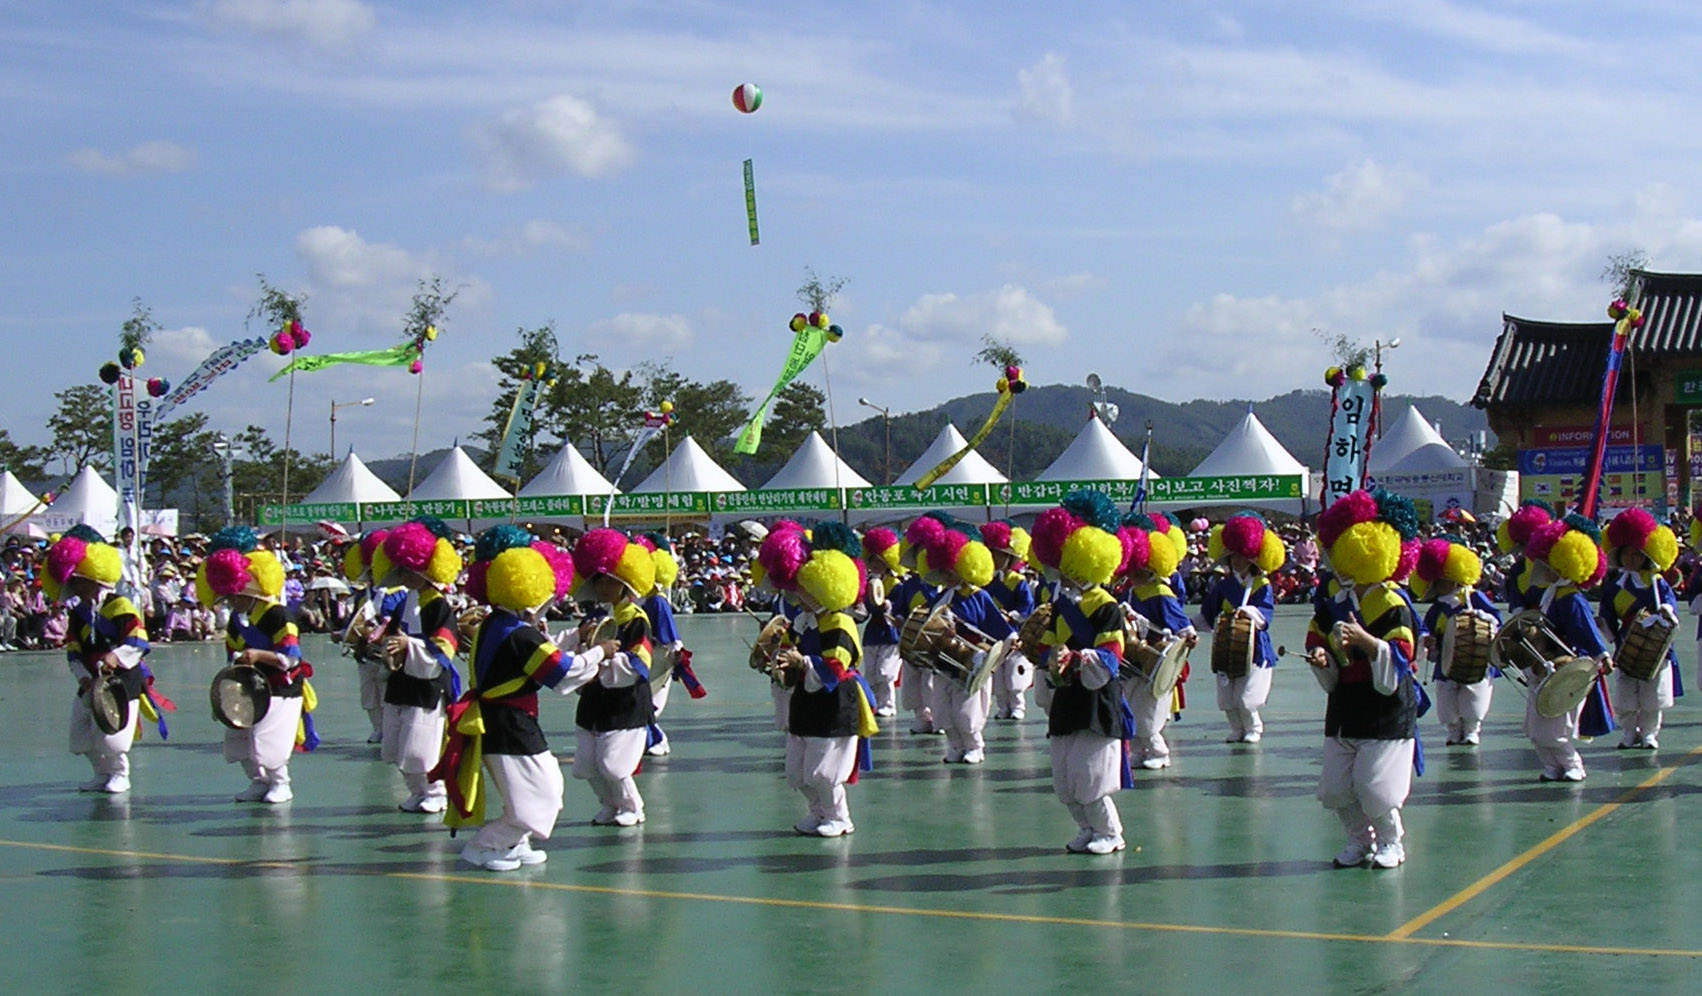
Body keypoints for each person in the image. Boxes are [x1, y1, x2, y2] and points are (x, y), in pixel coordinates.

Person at [437, 526, 618, 871]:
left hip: (503, 721)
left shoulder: (498, 624)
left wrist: (574, 639)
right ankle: (485, 845)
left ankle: (514, 842)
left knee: (532, 789)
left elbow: (541, 652)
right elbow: (562, 672)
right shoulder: (519, 635)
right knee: (540, 797)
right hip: (508, 725)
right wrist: (599, 651)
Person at [1306, 489, 1423, 869]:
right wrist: (1321, 655)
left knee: (1376, 789)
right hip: (1344, 707)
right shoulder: (1335, 603)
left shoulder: (1392, 604)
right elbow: (1316, 636)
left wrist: (1368, 643)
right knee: (1335, 788)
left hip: (1386, 710)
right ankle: (1360, 841)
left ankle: (1392, 841)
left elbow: (1402, 657)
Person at [1031, 490, 1134, 854]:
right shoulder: (1060, 605)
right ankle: (1087, 828)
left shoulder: (1107, 608)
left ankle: (1110, 831)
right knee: (1064, 776)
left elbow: (1110, 656)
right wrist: (1045, 657)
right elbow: (1046, 644)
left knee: (1090, 774)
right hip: (1066, 697)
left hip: (1095, 699)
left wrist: (1076, 659)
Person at [773, 522, 879, 837]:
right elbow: (785, 650)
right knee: (796, 770)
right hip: (806, 702)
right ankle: (817, 812)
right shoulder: (804, 621)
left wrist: (801, 661)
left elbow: (835, 667)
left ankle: (839, 816)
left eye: (802, 588)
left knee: (823, 770)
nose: (796, 593)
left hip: (835, 704)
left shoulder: (840, 623)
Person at [198, 527, 315, 804]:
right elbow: (233, 654)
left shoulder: (278, 615)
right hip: (251, 687)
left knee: (268, 742)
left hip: (281, 688)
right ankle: (258, 781)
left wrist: (260, 656)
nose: (230, 602)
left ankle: (280, 782)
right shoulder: (238, 619)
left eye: (234, 596)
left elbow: (292, 657)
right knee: (238, 738)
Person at [46, 528, 151, 793]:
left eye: (80, 581)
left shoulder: (120, 605)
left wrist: (115, 656)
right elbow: (73, 649)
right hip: (91, 681)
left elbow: (138, 642)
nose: (76, 588)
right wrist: (81, 674)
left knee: (113, 737)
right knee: (79, 738)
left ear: (95, 579)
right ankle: (101, 773)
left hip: (122, 682)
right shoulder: (78, 613)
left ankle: (120, 773)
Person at [567, 527, 657, 827]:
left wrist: (601, 663)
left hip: (625, 703)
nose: (603, 586)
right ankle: (610, 803)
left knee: (613, 765)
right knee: (585, 765)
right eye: (599, 580)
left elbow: (639, 665)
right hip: (594, 702)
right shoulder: (593, 617)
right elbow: (580, 649)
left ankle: (633, 805)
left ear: (624, 584)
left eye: (610, 581)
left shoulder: (636, 619)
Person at [372, 519, 462, 813]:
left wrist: (410, 646)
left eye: (411, 570)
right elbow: (393, 635)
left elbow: (445, 650)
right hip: (401, 683)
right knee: (396, 745)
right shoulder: (404, 600)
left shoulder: (439, 605)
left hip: (428, 685)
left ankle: (435, 791)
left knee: (420, 747)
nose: (407, 576)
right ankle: (416, 790)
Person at [1519, 514, 1613, 782]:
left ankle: (1573, 764)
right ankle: (1551, 765)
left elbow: (1586, 631)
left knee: (1558, 723)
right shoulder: (1550, 596)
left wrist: (1601, 654)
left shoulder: (1572, 599)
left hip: (1567, 670)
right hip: (1543, 666)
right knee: (1536, 725)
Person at [915, 519, 1016, 764]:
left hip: (971, 662)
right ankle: (955, 745)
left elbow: (1002, 630)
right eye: (942, 571)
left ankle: (974, 745)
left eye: (949, 570)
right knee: (941, 707)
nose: (945, 576)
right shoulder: (943, 597)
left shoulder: (979, 596)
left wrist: (1000, 653)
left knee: (966, 709)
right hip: (942, 662)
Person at [1198, 513, 1286, 744]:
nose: (1236, 561)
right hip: (1226, 645)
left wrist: (1247, 613)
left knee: (1246, 697)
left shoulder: (1261, 585)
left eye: (1241, 556)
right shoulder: (1224, 585)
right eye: (1233, 557)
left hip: (1254, 648)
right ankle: (1237, 728)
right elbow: (1207, 614)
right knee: (1227, 698)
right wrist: (1186, 628)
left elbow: (1265, 616)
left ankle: (1254, 727)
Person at [1599, 509, 1682, 751]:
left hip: (1655, 647)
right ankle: (1628, 732)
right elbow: (1607, 614)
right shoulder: (1614, 586)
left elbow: (1670, 607)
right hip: (1625, 647)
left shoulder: (1657, 583)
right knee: (1625, 696)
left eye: (1637, 555)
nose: (1632, 559)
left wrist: (1665, 612)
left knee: (1652, 696)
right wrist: (1609, 632)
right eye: (1627, 555)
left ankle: (1648, 733)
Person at [1118, 513, 1196, 770]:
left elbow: (1183, 626)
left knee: (1147, 712)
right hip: (1133, 660)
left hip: (1154, 661)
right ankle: (1140, 751)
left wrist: (1186, 637)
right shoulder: (1130, 592)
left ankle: (1159, 751)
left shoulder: (1161, 594)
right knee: (1131, 705)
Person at [1411, 537, 1500, 746]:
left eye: (1440, 581)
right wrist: (1428, 640)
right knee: (1447, 697)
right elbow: (1426, 628)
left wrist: (1483, 620)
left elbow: (1496, 619)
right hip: (1446, 659)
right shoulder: (1438, 608)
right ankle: (1453, 729)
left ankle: (1471, 729)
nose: (1435, 586)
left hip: (1476, 657)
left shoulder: (1474, 598)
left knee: (1474, 693)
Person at [339, 530, 401, 744]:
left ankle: (390, 730)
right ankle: (378, 728)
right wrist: (344, 634)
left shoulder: (399, 593)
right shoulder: (362, 595)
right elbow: (354, 621)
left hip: (387, 652)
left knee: (387, 694)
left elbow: (400, 622)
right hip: (364, 653)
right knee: (368, 696)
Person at [981, 521, 1037, 721]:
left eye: (1001, 555)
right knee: (996, 674)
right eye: (993, 554)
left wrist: (1011, 615)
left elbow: (1027, 607)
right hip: (992, 634)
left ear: (1010, 557)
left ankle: (1018, 706)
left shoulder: (1018, 581)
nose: (996, 559)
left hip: (1013, 633)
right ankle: (1003, 706)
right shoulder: (985, 580)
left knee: (1014, 673)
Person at [858, 527, 904, 718]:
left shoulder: (896, 584)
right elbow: (866, 609)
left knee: (885, 673)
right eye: (872, 559)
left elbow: (900, 607)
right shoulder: (868, 582)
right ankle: (875, 704)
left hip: (890, 633)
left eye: (879, 559)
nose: (875, 563)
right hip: (873, 633)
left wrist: (889, 607)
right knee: (871, 673)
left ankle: (889, 704)